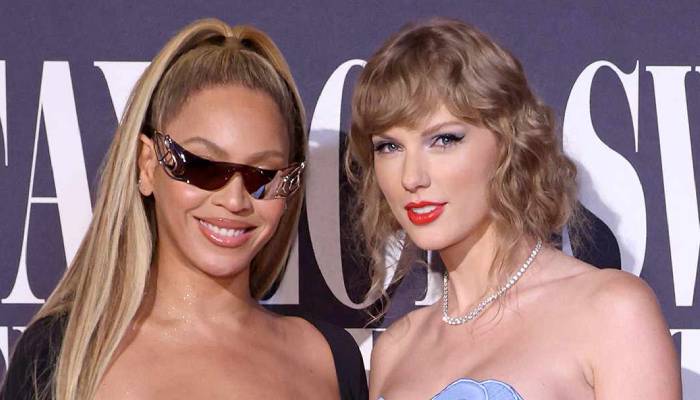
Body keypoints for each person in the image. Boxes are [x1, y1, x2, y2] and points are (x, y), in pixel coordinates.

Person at [1, 18, 367, 400]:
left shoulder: (329, 359)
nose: (234, 200)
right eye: (204, 167)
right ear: (147, 165)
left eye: (262, 176)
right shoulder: (63, 354)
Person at [346, 18, 681, 399]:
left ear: (509, 143)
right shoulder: (396, 349)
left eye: (444, 140)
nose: (411, 177)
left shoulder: (612, 312)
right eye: (389, 146)